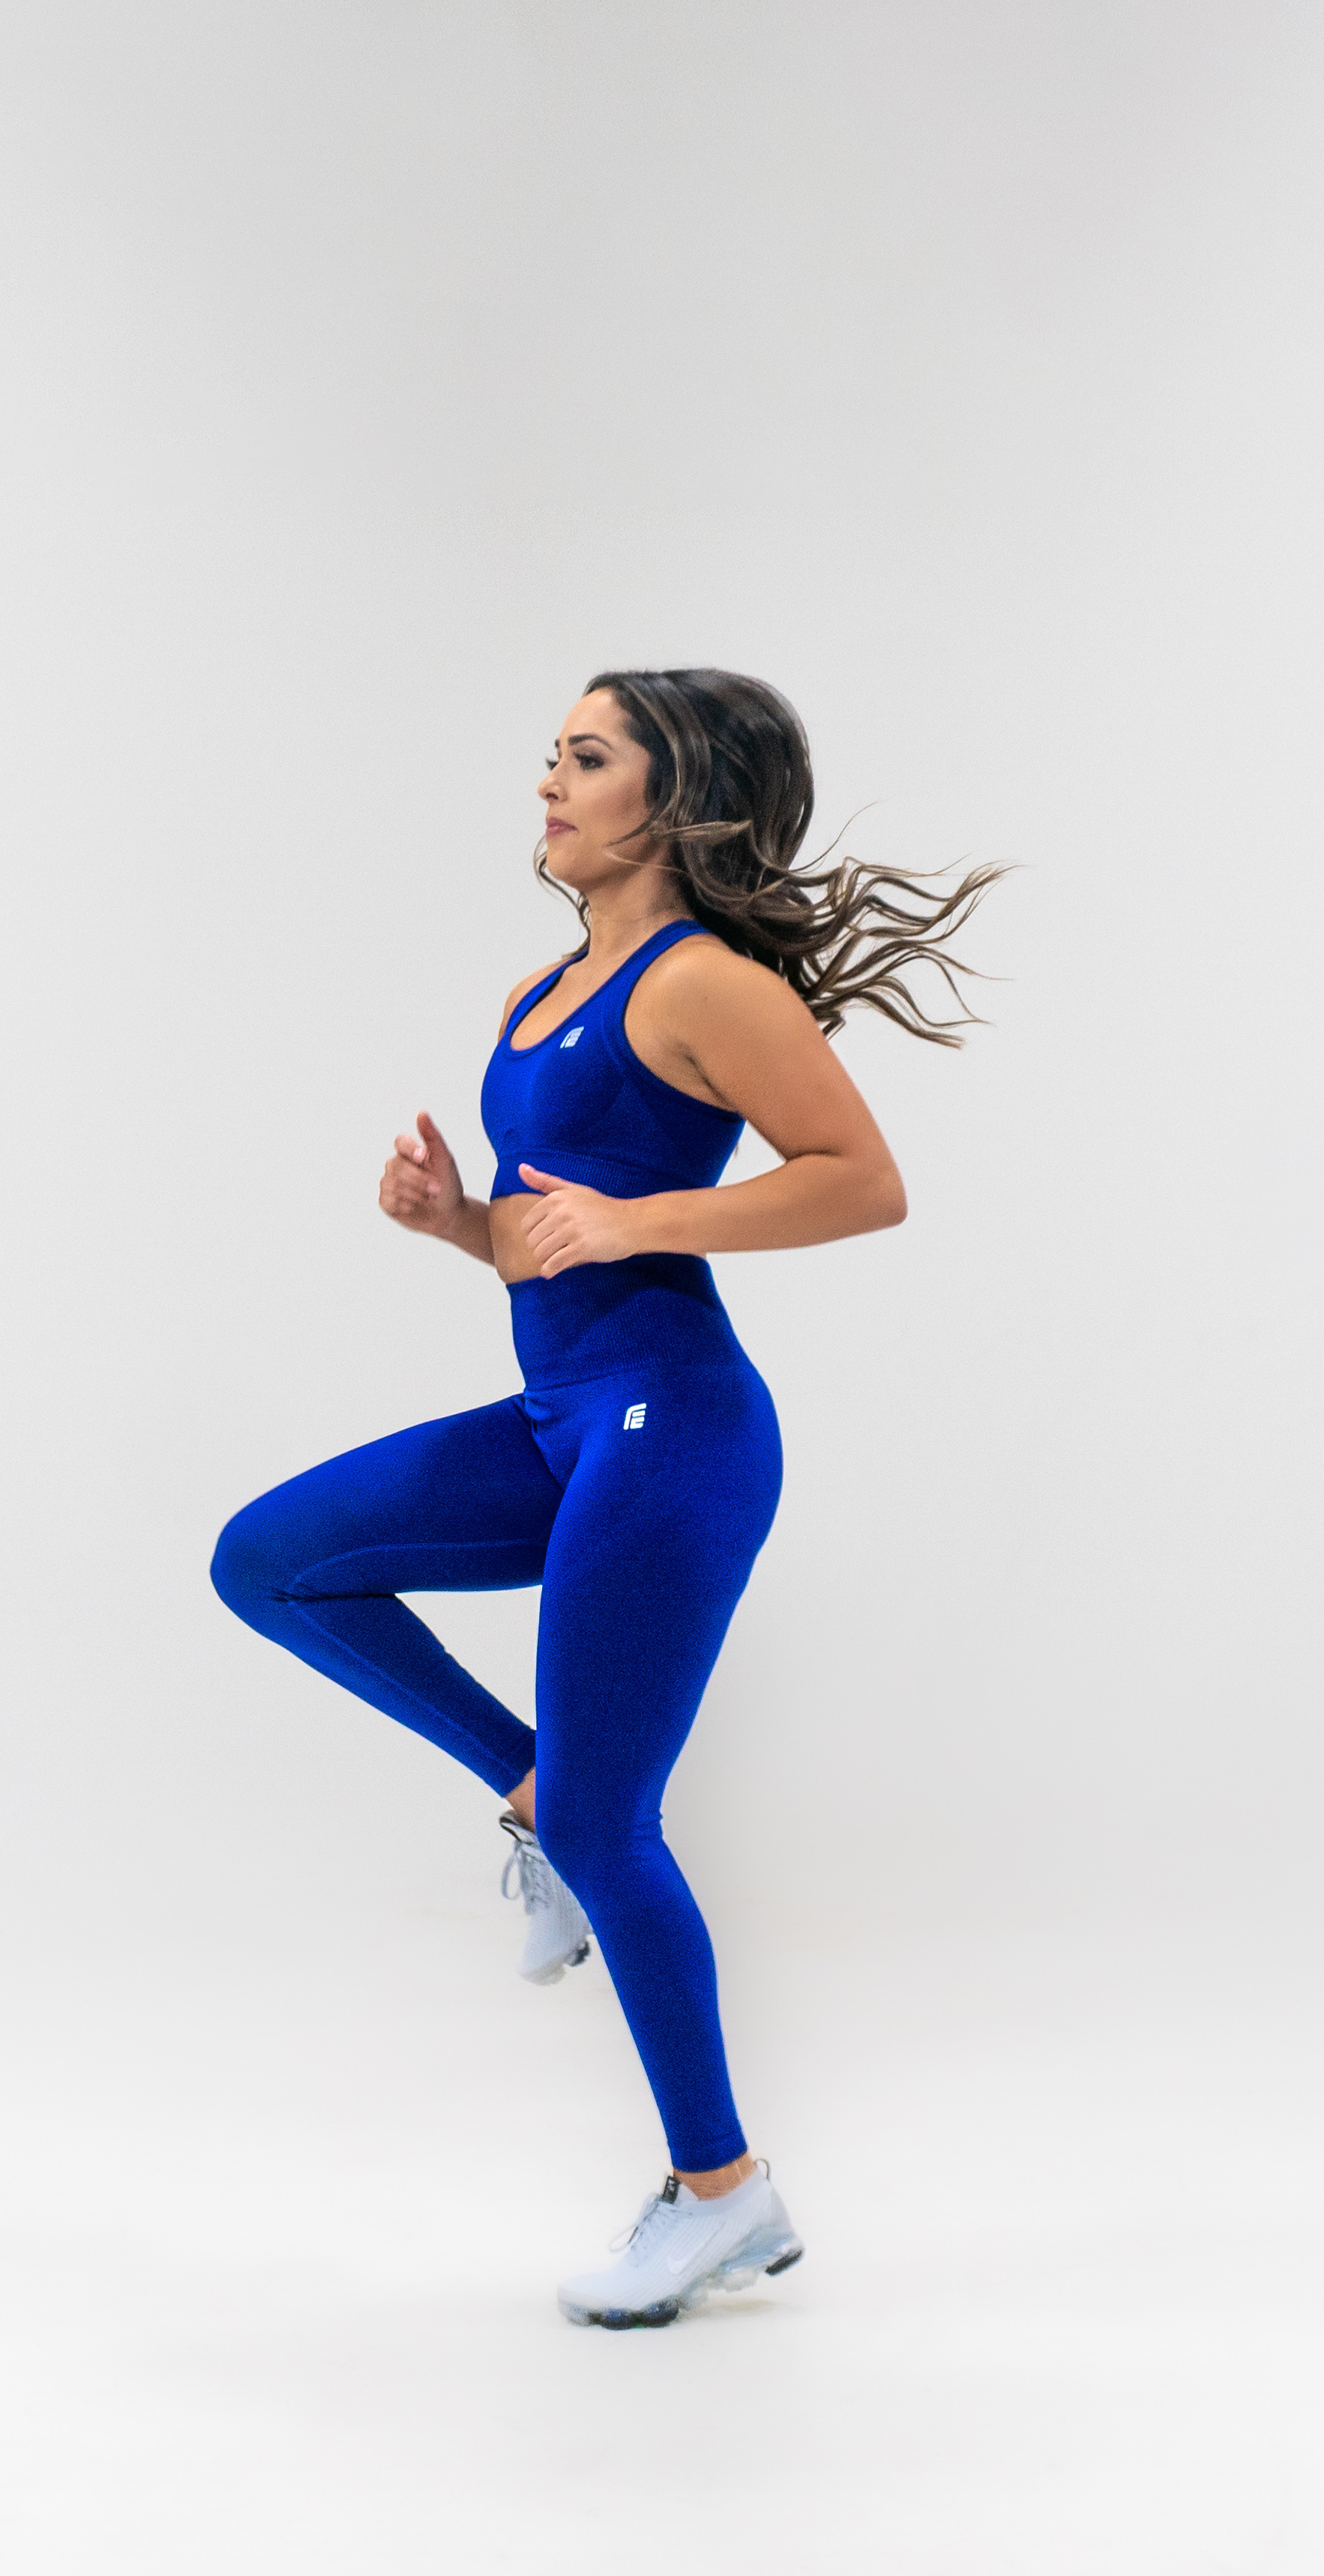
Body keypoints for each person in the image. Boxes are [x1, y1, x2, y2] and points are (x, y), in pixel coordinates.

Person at [211, 667, 1001, 2327]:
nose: (549, 784)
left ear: (677, 793)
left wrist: (645, 1225)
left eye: (585, 758)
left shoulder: (706, 984)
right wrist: (455, 1224)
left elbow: (864, 1184)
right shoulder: (539, 989)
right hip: (564, 1415)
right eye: (552, 756)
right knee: (269, 1558)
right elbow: (545, 1235)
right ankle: (532, 1793)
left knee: (609, 1821)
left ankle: (724, 2195)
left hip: (676, 1428)